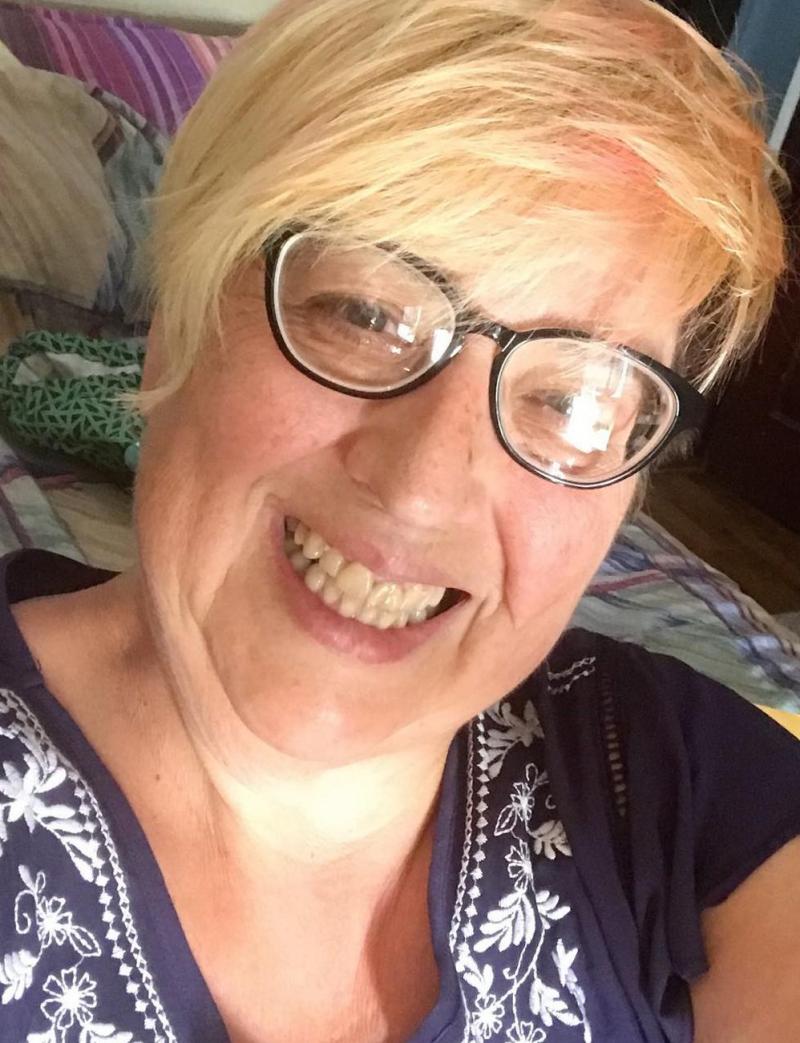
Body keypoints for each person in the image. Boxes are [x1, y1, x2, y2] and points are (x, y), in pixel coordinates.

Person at [1, 0, 798, 1040]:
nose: (422, 485)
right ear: (178, 320)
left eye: (573, 397)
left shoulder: (672, 771)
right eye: (363, 311)